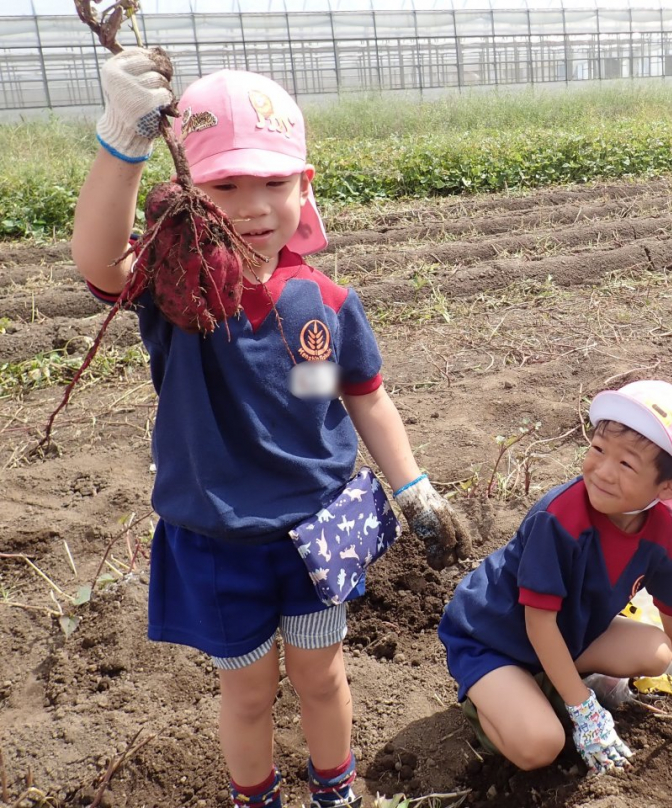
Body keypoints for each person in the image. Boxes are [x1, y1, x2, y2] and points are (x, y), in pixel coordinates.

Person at [71, 51, 472, 808]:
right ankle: (254, 797)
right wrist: (121, 141)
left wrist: (412, 485)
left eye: (273, 182)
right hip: (221, 542)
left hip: (316, 535)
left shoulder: (321, 299)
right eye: (225, 185)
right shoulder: (175, 288)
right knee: (249, 694)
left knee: (323, 677)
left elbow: (351, 396)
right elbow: (99, 263)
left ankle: (336, 792)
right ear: (187, 193)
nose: (254, 204)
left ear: (304, 186)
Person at [437, 380, 672, 775]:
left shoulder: (664, 538)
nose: (602, 471)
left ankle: (552, 683)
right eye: (598, 449)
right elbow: (538, 620)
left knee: (658, 653)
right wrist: (581, 708)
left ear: (669, 486)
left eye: (626, 464)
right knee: (540, 745)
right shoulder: (560, 520)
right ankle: (494, 707)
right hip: (493, 635)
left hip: (567, 630)